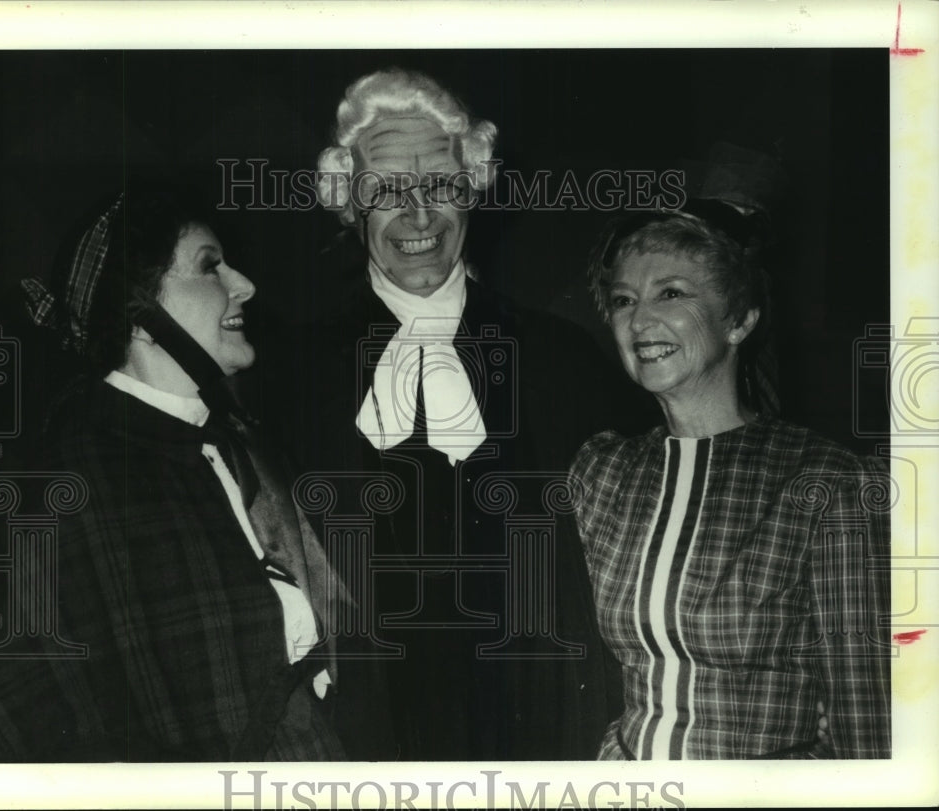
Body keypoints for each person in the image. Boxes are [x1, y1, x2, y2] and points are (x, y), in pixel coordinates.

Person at [276, 68, 649, 761]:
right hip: (359, 748)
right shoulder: (287, 378)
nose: (418, 215)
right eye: (386, 189)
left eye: (441, 184)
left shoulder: (563, 359)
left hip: (542, 740)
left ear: (473, 187)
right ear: (349, 200)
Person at [0, 187, 347, 761]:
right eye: (211, 267)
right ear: (141, 316)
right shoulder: (73, 481)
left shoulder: (242, 445)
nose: (244, 284)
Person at [572, 208, 891, 759]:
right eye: (624, 300)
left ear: (739, 321)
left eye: (671, 293)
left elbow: (867, 723)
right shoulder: (603, 473)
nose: (640, 321)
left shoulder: (827, 481)